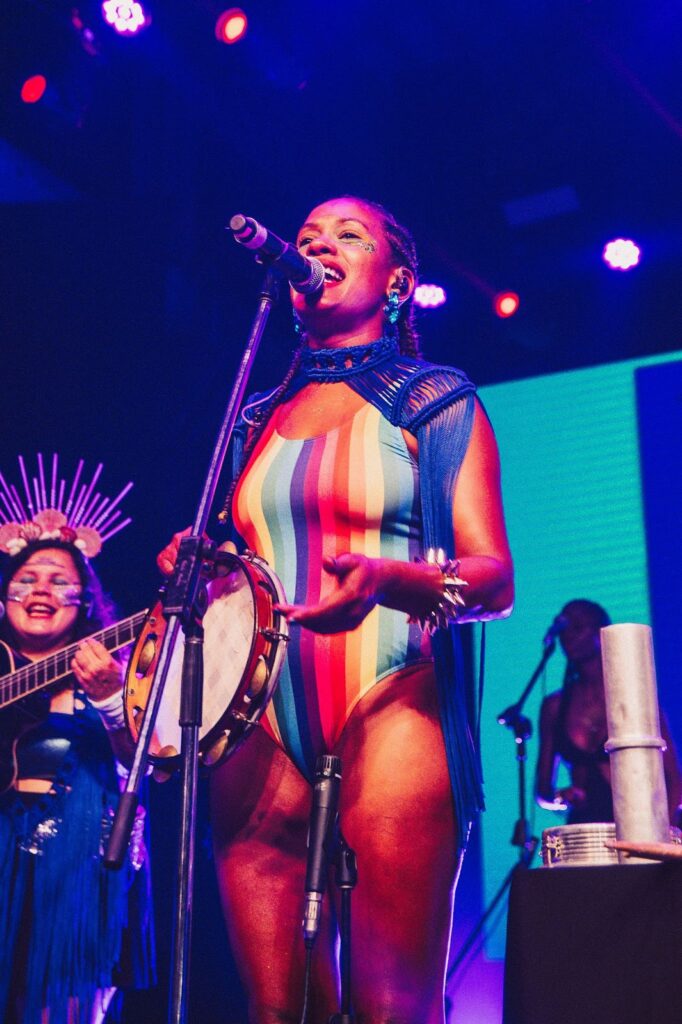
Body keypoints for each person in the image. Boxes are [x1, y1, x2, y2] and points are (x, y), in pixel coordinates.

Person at [159, 195, 514, 1023]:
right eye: (309, 238)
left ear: (397, 282)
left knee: (393, 1007)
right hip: (258, 717)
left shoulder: (434, 400)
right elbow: (251, 572)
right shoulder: (255, 418)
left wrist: (391, 580)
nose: (318, 246)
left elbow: (493, 582)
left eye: (347, 236)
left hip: (393, 696)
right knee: (281, 1012)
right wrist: (204, 568)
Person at [0, 459, 154, 1024]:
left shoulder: (116, 670)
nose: (41, 589)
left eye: (60, 581)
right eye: (27, 578)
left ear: (84, 602)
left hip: (76, 867)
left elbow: (154, 766)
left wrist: (114, 700)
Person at [535, 598, 682, 826]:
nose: (568, 635)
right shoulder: (555, 706)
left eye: (578, 627)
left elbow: (673, 779)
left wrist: (666, 834)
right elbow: (543, 791)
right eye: (563, 628)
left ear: (601, 634)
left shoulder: (636, 699)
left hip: (639, 827)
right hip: (585, 831)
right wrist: (560, 797)